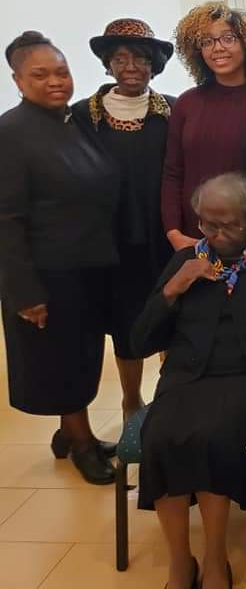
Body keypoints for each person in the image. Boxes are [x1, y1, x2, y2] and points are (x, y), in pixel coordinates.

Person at [132, 173, 246, 589]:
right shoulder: (186, 260)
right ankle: (179, 562)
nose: (219, 234)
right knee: (160, 438)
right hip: (186, 377)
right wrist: (173, 288)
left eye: (231, 224)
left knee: (215, 436)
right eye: (208, 224)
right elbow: (140, 340)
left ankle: (215, 560)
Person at [0, 32, 120, 484]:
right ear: (18, 80)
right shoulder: (10, 133)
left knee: (81, 356)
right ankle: (82, 444)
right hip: (46, 273)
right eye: (41, 75)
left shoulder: (71, 122)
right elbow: (5, 220)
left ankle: (71, 431)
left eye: (62, 72)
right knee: (62, 362)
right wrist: (23, 291)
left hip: (84, 267)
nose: (56, 81)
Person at [72, 18, 176, 420]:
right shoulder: (83, 116)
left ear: (154, 65)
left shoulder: (173, 111)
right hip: (110, 241)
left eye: (140, 58)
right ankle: (131, 399)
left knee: (172, 312)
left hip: (164, 235)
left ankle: (170, 394)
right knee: (125, 322)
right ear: (107, 64)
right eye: (120, 58)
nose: (130, 66)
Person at [162, 1, 246, 251]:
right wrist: (174, 233)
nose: (217, 48)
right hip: (194, 237)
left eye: (228, 38)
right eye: (207, 42)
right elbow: (172, 173)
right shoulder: (187, 103)